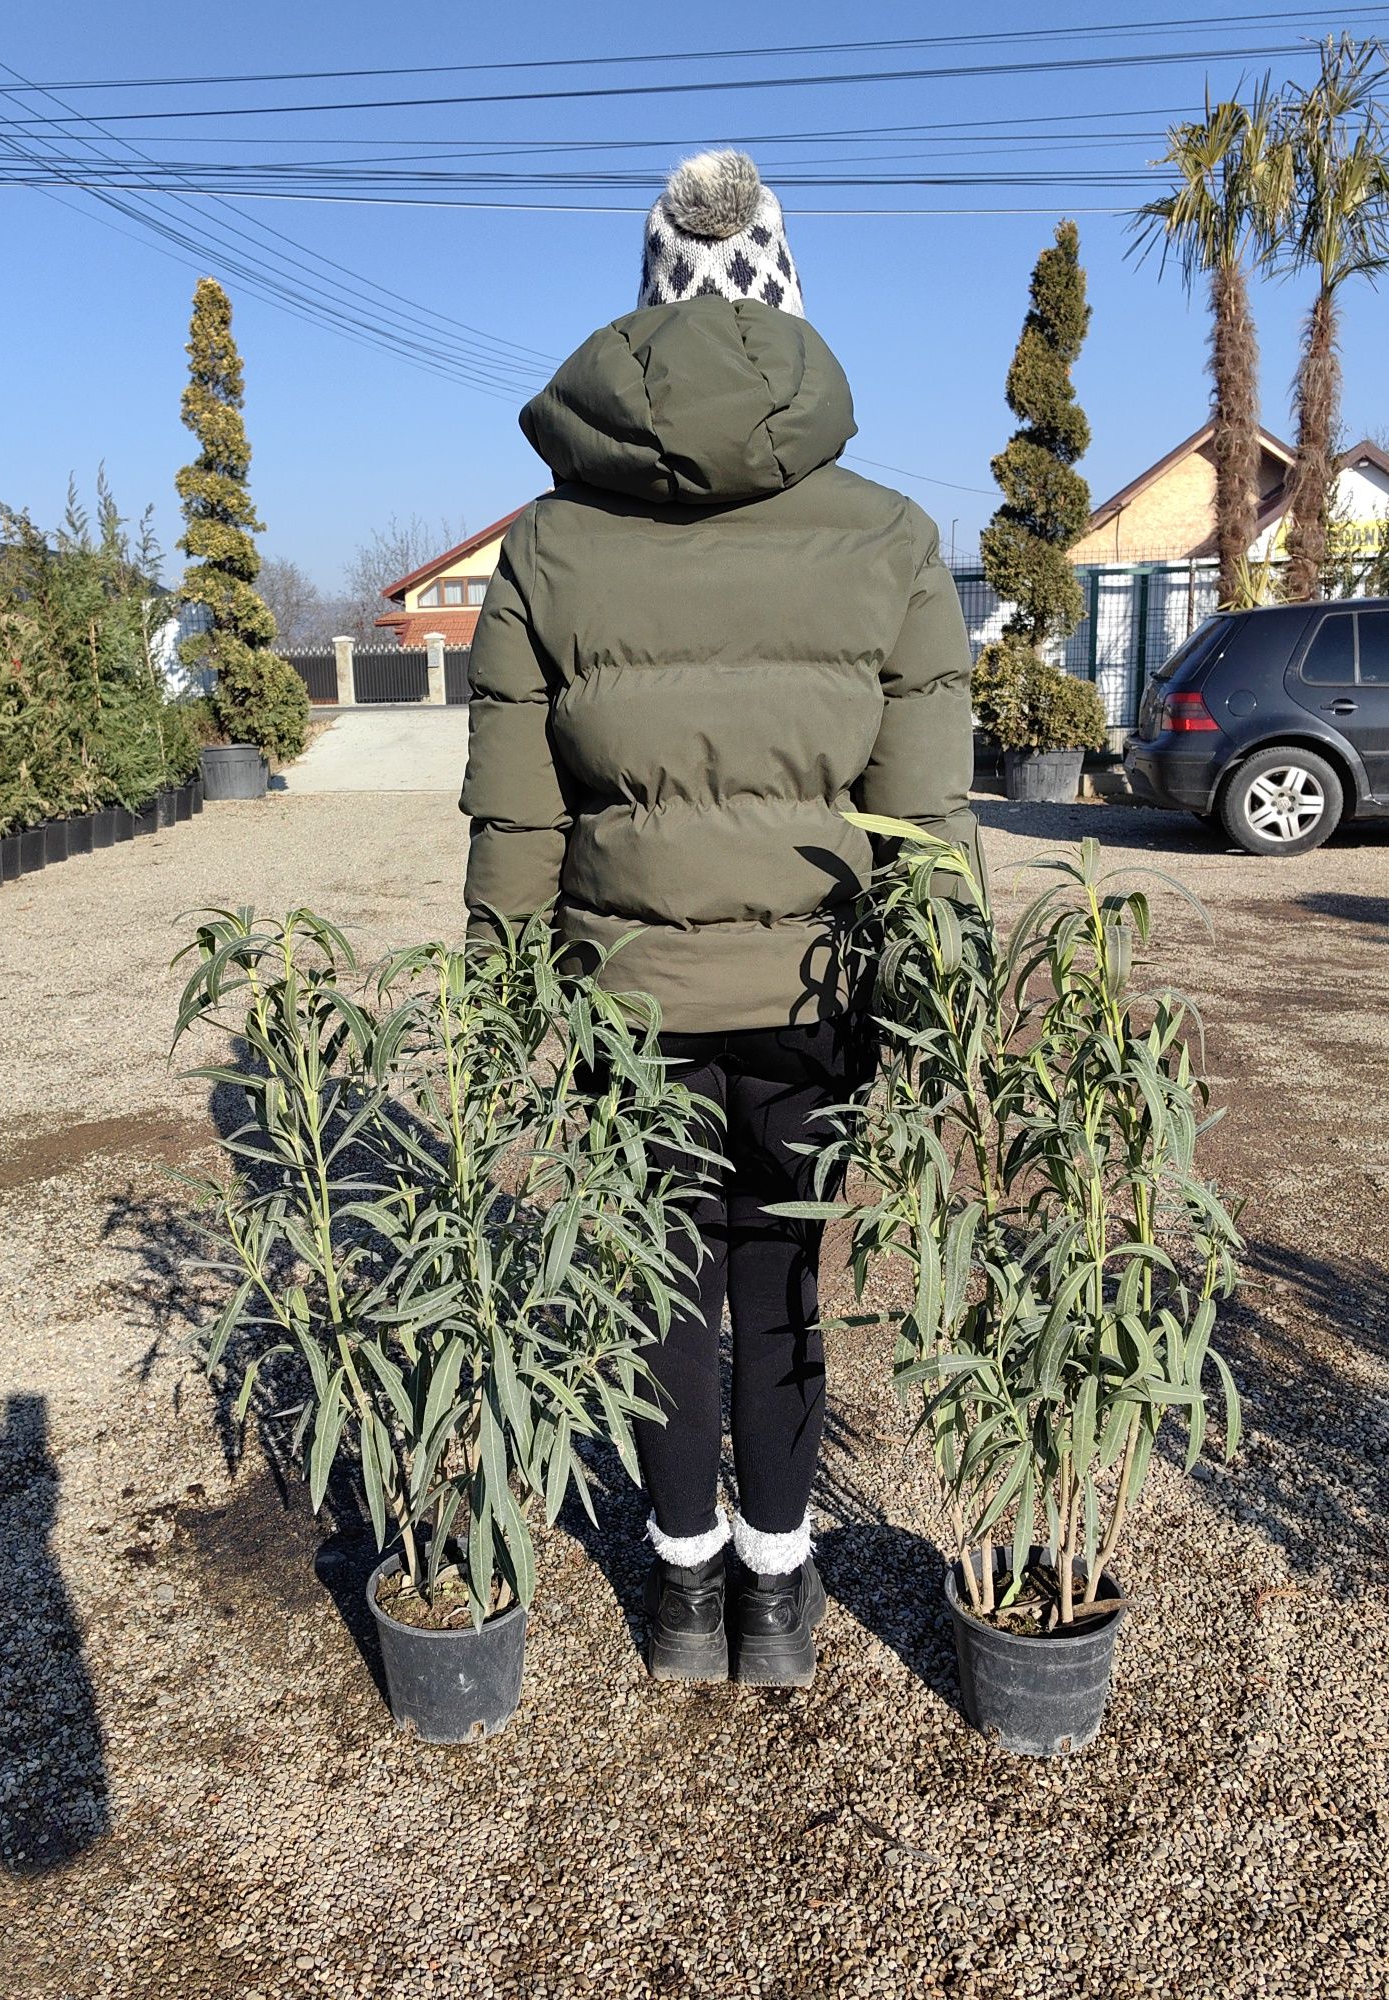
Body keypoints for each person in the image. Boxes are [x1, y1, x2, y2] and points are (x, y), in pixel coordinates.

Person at [459, 149, 984, 1688]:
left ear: (640, 306)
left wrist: (506, 1009)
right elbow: (929, 823)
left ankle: (681, 1596)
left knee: (665, 1276)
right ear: (791, 302)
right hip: (816, 995)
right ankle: (778, 1595)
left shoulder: (550, 543)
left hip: (629, 992)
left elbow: (517, 822)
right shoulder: (889, 538)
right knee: (780, 1277)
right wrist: (938, 1005)